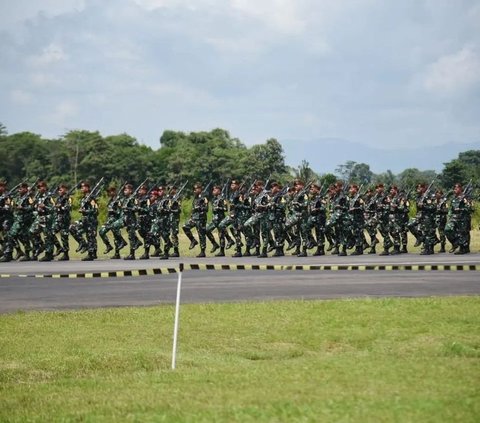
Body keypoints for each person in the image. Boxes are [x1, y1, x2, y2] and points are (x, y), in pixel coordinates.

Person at [70, 181, 99, 261]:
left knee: (90, 237)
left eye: (83, 187)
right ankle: (83, 244)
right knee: (72, 227)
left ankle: (91, 254)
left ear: (87, 188)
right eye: (81, 187)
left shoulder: (91, 198)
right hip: (84, 220)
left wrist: (85, 211)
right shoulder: (83, 198)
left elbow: (96, 210)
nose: (81, 189)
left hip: (91, 221)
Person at [445, 183, 473, 254]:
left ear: (460, 189)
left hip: (463, 218)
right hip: (454, 218)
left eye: (456, 188)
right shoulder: (454, 198)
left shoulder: (465, 197)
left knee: (463, 234)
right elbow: (451, 209)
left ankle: (464, 248)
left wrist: (461, 209)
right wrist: (449, 216)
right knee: (447, 229)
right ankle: (455, 243)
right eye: (454, 188)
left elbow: (471, 209)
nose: (455, 190)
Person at [99, 186, 126, 259]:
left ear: (114, 192)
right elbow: (109, 213)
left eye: (111, 191)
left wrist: (113, 211)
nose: (109, 193)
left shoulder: (119, 200)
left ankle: (117, 253)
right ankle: (108, 245)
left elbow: (121, 211)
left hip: (116, 220)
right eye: (108, 192)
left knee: (116, 237)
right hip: (109, 220)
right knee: (101, 232)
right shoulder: (110, 200)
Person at [183, 183, 208, 257]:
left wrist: (199, 208)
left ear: (200, 189)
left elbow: (206, 209)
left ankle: (202, 251)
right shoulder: (195, 198)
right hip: (194, 218)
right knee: (185, 226)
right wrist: (191, 215)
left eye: (196, 189)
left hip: (201, 218)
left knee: (201, 234)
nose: (194, 190)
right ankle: (193, 240)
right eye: (194, 189)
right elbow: (193, 209)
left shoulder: (204, 198)